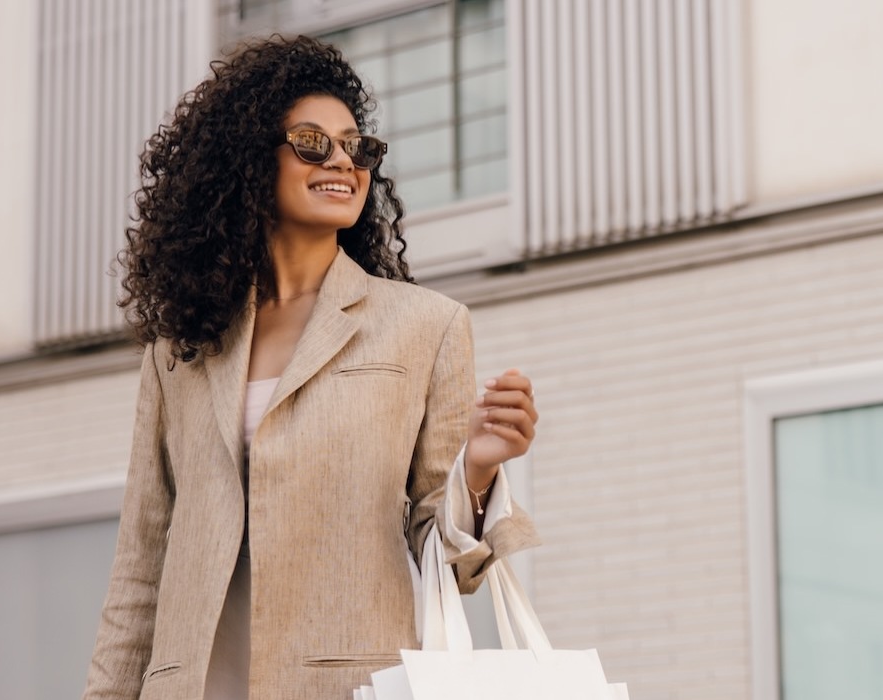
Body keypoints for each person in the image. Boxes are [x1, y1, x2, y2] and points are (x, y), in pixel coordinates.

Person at [82, 35, 540, 699]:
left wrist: (478, 469)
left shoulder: (426, 327)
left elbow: (446, 557)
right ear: (245, 161)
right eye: (311, 142)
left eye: (357, 146)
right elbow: (140, 567)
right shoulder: (181, 349)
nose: (342, 162)